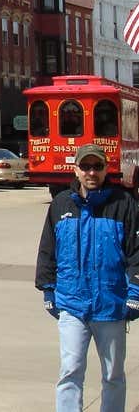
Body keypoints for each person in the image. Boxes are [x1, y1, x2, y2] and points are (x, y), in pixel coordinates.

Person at [36, 144, 139, 412]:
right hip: (72, 305)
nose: (91, 172)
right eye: (86, 167)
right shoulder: (61, 205)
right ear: (76, 170)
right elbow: (48, 249)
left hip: (111, 306)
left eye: (97, 167)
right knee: (70, 371)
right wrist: (48, 289)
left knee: (113, 375)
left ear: (106, 169)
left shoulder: (124, 204)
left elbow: (136, 252)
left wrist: (135, 292)